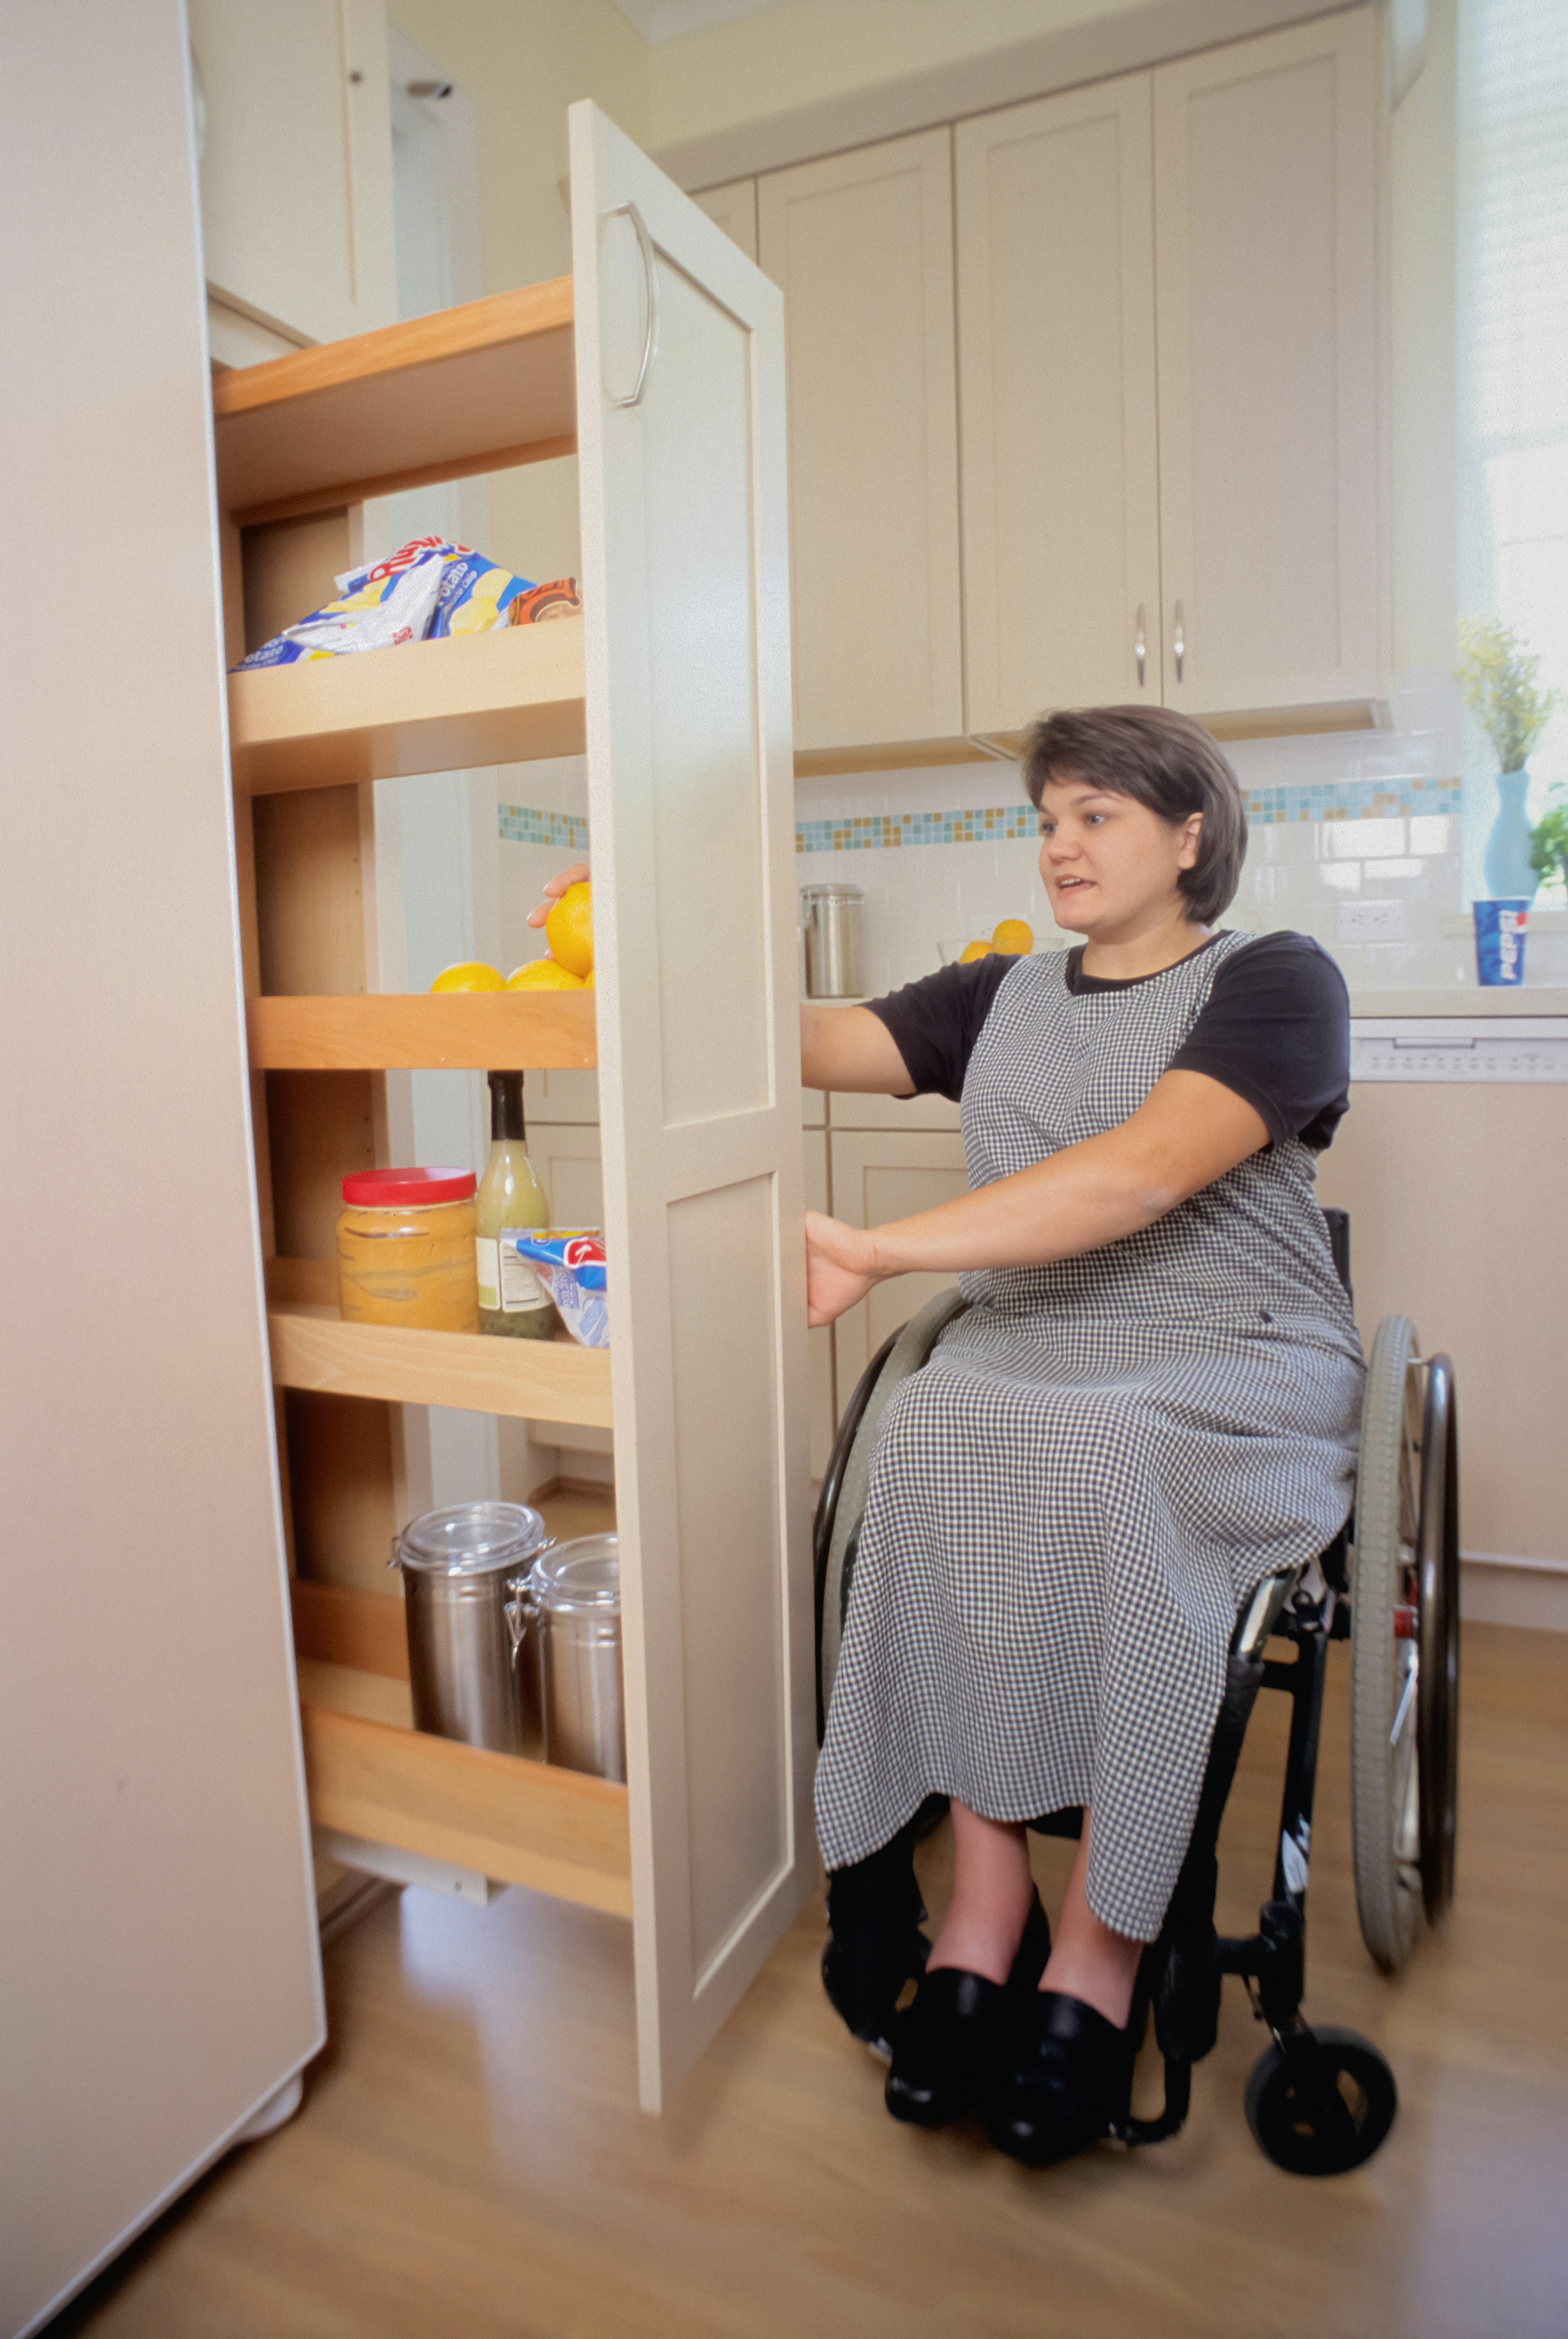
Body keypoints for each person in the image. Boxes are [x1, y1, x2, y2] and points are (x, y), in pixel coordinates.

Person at [530, 702, 1363, 2168]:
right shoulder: (998, 999)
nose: (1061, 844)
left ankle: (1105, 1944)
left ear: (1192, 837)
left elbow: (1145, 1173)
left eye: (1098, 815)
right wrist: (634, 946)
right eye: (1049, 819)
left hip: (1229, 1356)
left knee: (1100, 1455)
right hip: (1027, 1346)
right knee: (932, 1423)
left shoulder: (1279, 979)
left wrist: (883, 1249)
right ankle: (988, 1907)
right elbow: (788, 1041)